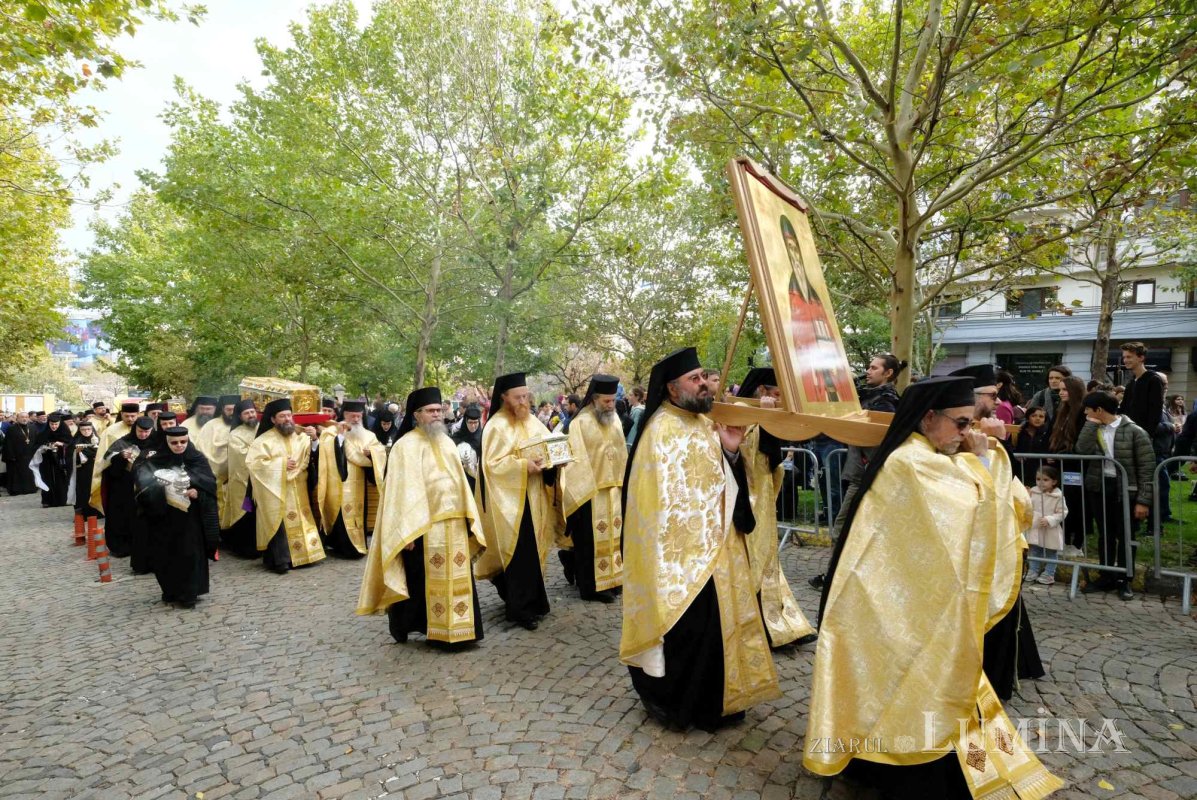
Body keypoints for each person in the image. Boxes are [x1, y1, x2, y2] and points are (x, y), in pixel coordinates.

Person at [804, 376, 1062, 800]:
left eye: (969, 423)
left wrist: (980, 457)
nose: (966, 433)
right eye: (960, 423)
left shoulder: (932, 456)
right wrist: (983, 459)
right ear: (928, 418)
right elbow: (974, 507)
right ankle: (893, 768)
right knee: (909, 688)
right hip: (894, 609)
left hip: (914, 604)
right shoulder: (911, 461)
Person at [620, 347, 779, 732]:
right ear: (672, 389)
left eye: (704, 377)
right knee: (690, 632)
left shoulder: (707, 423)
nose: (705, 384)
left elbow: (728, 483)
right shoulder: (659, 432)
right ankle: (680, 704)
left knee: (720, 630)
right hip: (679, 561)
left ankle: (719, 702)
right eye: (694, 379)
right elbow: (654, 509)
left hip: (721, 550)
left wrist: (730, 450)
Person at [358, 387, 486, 648]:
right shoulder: (404, 446)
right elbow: (399, 493)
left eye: (439, 410)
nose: (437, 415)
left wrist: (468, 517)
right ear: (416, 415)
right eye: (430, 411)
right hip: (422, 526)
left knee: (459, 576)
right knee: (419, 580)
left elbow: (461, 483)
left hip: (454, 523)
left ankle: (461, 631)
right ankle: (409, 625)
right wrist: (405, 533)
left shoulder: (447, 442)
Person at [733, 367, 816, 648]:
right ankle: (759, 628)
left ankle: (781, 623)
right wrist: (766, 419)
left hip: (763, 497)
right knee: (752, 559)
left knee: (767, 559)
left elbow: (772, 461)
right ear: (761, 391)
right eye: (777, 394)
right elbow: (748, 453)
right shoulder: (741, 412)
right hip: (746, 499)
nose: (779, 400)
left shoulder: (761, 412)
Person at [810, 353, 905, 590]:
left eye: (874, 368)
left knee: (843, 528)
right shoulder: (870, 397)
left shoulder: (885, 402)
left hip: (868, 476)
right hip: (862, 474)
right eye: (869, 367)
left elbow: (880, 442)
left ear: (888, 373)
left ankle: (834, 579)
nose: (868, 371)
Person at [472, 373, 559, 630]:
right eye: (518, 397)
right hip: (510, 503)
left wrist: (556, 461)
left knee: (532, 552)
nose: (523, 401)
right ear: (504, 397)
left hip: (534, 498)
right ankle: (520, 610)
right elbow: (492, 466)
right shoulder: (496, 426)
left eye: (525, 396)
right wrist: (523, 466)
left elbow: (550, 446)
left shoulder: (532, 421)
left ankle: (534, 603)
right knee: (519, 554)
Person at [1076, 391, 1154, 601]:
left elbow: (1147, 468)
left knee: (1126, 534)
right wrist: (1090, 426)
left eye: (1088, 409)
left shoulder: (1135, 432)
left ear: (1099, 410)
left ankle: (1125, 579)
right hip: (1100, 486)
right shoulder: (1093, 428)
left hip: (1126, 489)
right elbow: (1082, 450)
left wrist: (1143, 500)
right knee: (1105, 533)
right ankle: (1106, 575)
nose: (1085, 413)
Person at [558, 374, 627, 603]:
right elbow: (576, 459)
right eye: (606, 401)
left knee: (614, 538)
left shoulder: (615, 420)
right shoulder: (580, 423)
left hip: (614, 489)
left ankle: (613, 579)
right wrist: (584, 489)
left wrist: (624, 481)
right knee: (591, 542)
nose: (610, 405)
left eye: (613, 401)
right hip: (591, 492)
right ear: (594, 399)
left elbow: (621, 453)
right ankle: (592, 587)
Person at [135, 427, 219, 608]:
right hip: (163, 518)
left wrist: (197, 492)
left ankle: (189, 594)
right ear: (166, 443)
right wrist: (161, 489)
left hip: (190, 519)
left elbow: (210, 484)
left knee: (190, 554)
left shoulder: (197, 459)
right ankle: (171, 591)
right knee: (165, 555)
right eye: (174, 442)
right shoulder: (155, 461)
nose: (179, 445)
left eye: (183, 442)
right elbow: (142, 489)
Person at [246, 398, 325, 574]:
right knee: (279, 525)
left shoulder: (300, 436)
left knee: (302, 520)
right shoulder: (263, 441)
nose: (287, 419)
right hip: (275, 493)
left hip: (299, 490)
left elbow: (312, 455)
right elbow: (254, 465)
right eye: (282, 416)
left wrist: (314, 439)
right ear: (273, 419)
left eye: (289, 415)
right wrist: (281, 464)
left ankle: (305, 556)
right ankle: (281, 560)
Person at [316, 400, 387, 559]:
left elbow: (380, 451)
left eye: (358, 416)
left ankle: (358, 544)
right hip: (338, 480)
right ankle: (340, 545)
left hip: (359, 483)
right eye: (351, 416)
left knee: (358, 513)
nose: (355, 419)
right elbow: (326, 451)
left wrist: (372, 453)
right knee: (339, 512)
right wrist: (340, 437)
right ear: (344, 415)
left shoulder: (368, 435)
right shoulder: (331, 432)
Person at [97, 417, 158, 567]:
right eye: (140, 431)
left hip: (150, 486)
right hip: (125, 487)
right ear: (135, 429)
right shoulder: (123, 442)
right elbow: (108, 463)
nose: (143, 435)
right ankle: (122, 547)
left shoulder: (157, 442)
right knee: (123, 515)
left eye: (147, 432)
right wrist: (120, 457)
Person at [1049, 376, 1089, 557]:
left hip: (1076, 466)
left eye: (1065, 389)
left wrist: (1060, 455)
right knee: (1062, 503)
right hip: (1061, 465)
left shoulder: (1083, 413)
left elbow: (1081, 442)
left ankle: (1077, 543)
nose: (1061, 393)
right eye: (1060, 390)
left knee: (1076, 504)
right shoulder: (1062, 411)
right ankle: (1063, 540)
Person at [221, 399, 259, 557]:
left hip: (262, 480)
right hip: (244, 483)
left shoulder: (263, 428)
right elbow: (241, 456)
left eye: (252, 412)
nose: (251, 415)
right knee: (246, 511)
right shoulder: (235, 434)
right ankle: (246, 549)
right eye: (246, 413)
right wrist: (261, 453)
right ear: (240, 416)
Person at [89, 402, 141, 514]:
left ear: (138, 414)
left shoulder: (144, 429)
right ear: (121, 414)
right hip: (120, 475)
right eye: (127, 416)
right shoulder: (111, 431)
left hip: (141, 475)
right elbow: (103, 455)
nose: (130, 419)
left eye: (133, 416)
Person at [1026, 465, 1067, 586]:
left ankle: (1049, 574)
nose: (1041, 482)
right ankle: (1033, 570)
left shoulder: (1058, 496)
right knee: (1034, 550)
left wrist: (1050, 519)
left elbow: (1062, 512)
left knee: (1051, 551)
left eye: (1045, 480)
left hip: (1050, 529)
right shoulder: (1033, 492)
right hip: (1036, 527)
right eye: (1038, 479)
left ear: (1054, 481)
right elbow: (1027, 506)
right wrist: (1025, 495)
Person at [31, 413, 73, 507]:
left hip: (61, 460)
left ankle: (63, 500)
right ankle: (47, 501)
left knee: (61, 480)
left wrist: (62, 444)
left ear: (60, 424)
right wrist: (44, 448)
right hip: (47, 461)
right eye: (52, 424)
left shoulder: (65, 433)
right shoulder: (43, 434)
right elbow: (35, 447)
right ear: (48, 424)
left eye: (56, 424)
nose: (54, 426)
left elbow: (71, 445)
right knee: (47, 479)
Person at [71, 420, 102, 525]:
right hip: (82, 472)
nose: (86, 431)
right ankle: (84, 514)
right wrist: (76, 453)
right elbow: (69, 458)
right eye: (83, 430)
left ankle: (98, 512)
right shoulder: (75, 442)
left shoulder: (98, 440)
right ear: (79, 430)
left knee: (95, 490)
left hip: (96, 471)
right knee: (83, 493)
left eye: (88, 429)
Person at [1012, 406, 1052, 486]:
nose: (1037, 419)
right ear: (1028, 418)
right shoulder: (1019, 432)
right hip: (1021, 470)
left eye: (1041, 416)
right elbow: (1012, 446)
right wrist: (1016, 455)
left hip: (1040, 471)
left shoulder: (1047, 434)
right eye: (1034, 416)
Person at [2, 411, 39, 496]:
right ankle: (17, 490)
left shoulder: (32, 428)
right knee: (16, 475)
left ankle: (30, 488)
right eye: (22, 417)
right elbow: (8, 444)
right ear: (17, 418)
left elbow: (37, 441)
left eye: (26, 417)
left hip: (30, 455)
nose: (24, 419)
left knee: (29, 473)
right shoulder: (12, 429)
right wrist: (11, 456)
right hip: (17, 457)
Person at [451, 406, 483, 492]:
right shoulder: (456, 437)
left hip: (477, 480)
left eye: (475, 422)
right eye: (470, 422)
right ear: (465, 422)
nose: (473, 426)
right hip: (460, 479)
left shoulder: (483, 438)